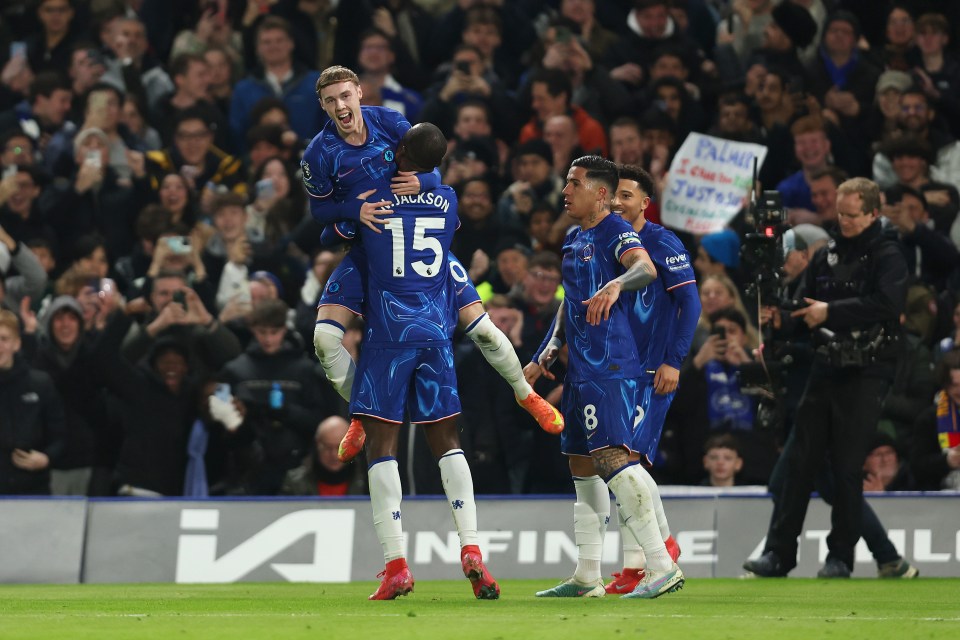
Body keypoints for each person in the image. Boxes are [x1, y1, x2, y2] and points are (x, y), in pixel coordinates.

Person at [300, 66, 563, 464]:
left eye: (345, 96)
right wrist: (355, 209)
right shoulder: (318, 154)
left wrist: (424, 183)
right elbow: (319, 211)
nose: (341, 105)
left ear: (358, 92)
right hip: (368, 248)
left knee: (486, 331)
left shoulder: (389, 121)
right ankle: (360, 408)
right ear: (323, 105)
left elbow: (429, 161)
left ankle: (528, 396)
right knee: (324, 339)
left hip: (422, 246)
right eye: (331, 100)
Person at [349, 122, 498, 601]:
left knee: (382, 446)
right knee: (447, 442)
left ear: (400, 152)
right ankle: (472, 549)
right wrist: (431, 181)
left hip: (388, 335)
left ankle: (396, 564)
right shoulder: (448, 198)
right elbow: (437, 185)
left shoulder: (374, 195)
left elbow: (333, 218)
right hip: (435, 333)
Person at [529, 155, 682, 600]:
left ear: (600, 192)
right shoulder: (575, 237)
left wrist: (617, 285)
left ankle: (659, 564)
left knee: (614, 458)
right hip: (581, 369)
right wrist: (549, 349)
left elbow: (645, 267)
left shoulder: (615, 229)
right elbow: (570, 303)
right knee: (581, 464)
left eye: (574, 183)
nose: (565, 191)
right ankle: (587, 575)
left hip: (611, 367)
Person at [744, 177, 909, 578]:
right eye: (840, 213)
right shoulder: (827, 254)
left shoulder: (889, 254)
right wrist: (780, 319)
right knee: (800, 463)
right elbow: (804, 306)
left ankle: (840, 557)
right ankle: (779, 554)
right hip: (825, 366)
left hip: (867, 370)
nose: (844, 221)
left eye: (852, 215)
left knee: (848, 468)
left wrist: (829, 313)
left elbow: (888, 303)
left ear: (873, 213)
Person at [600, 164, 699, 594]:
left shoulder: (662, 242)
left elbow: (690, 305)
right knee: (625, 465)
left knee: (629, 463)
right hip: (615, 369)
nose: (617, 202)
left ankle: (650, 556)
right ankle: (644, 558)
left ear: (645, 202)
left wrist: (674, 361)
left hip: (649, 371)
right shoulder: (607, 241)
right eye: (613, 194)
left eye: (626, 195)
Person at [0, 308, 65, 495]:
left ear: (17, 344)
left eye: (4, 339)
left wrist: (46, 458)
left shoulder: (40, 383)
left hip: (33, 490)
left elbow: (59, 436)